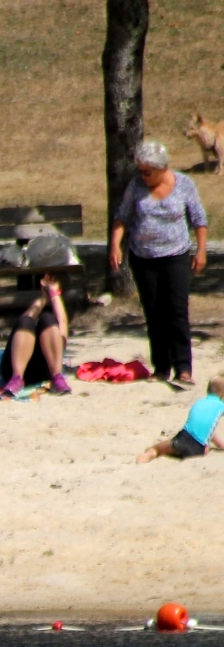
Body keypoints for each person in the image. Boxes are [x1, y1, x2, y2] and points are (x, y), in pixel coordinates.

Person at [109, 139, 209, 384]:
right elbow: (121, 217)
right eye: (140, 171)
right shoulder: (136, 186)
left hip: (176, 255)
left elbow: (199, 219)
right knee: (154, 313)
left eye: (148, 172)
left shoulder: (184, 184)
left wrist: (201, 251)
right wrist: (115, 246)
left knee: (176, 310)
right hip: (144, 257)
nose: (143, 176)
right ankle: (161, 367)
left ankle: (183, 367)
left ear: (163, 168)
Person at [0, 274, 72, 394]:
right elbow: (26, 318)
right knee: (26, 320)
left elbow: (62, 321)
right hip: (12, 370)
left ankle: (57, 377)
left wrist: (53, 293)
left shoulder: (54, 340)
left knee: (48, 318)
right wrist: (44, 298)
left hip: (42, 372)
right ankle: (17, 378)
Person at [137, 375, 224, 462]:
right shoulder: (221, 405)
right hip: (198, 450)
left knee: (156, 449)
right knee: (206, 445)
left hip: (182, 439)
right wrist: (221, 446)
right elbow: (209, 431)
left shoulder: (199, 402)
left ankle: (148, 455)